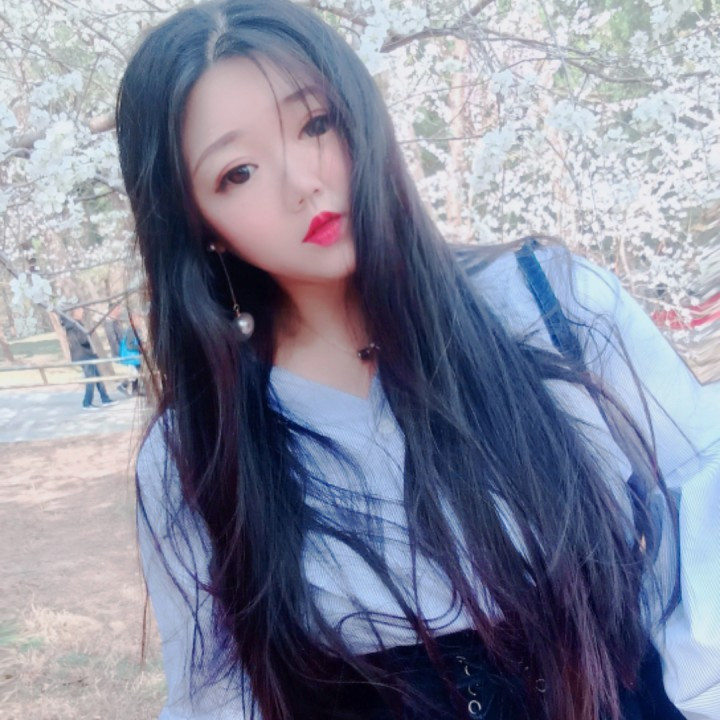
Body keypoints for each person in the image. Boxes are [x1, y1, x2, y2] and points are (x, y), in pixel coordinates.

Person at [115, 2, 720, 719]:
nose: (301, 182)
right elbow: (218, 697)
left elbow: (702, 487)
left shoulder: (549, 303)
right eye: (238, 171)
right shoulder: (200, 446)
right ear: (199, 224)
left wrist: (695, 690)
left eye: (315, 124)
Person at [61, 307, 117, 410]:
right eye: (80, 311)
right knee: (91, 379)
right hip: (84, 355)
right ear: (75, 312)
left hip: (86, 354)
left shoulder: (73, 324)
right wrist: (88, 335)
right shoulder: (75, 325)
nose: (82, 313)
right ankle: (87, 403)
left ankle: (105, 398)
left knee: (98, 377)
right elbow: (82, 340)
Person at [105, 304, 133, 395]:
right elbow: (112, 339)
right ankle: (124, 385)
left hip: (125, 348)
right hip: (121, 350)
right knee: (133, 367)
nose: (119, 311)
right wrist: (120, 352)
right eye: (118, 309)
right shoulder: (109, 322)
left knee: (133, 367)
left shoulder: (116, 321)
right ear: (113, 310)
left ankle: (129, 386)